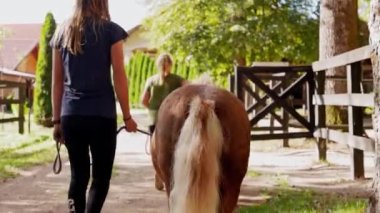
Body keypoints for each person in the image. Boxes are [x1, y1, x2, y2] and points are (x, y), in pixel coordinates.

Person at [50, 0, 137, 212]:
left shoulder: (62, 32)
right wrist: (127, 117)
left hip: (72, 116)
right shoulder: (110, 31)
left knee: (78, 176)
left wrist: (56, 120)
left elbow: (57, 81)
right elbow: (119, 76)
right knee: (100, 178)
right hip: (102, 116)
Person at [140, 53, 186, 191]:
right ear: (171, 64)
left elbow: (143, 101)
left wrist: (153, 110)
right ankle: (172, 176)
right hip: (174, 119)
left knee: (156, 148)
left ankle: (158, 173)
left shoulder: (151, 80)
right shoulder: (178, 80)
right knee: (174, 148)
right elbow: (190, 90)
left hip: (155, 118)